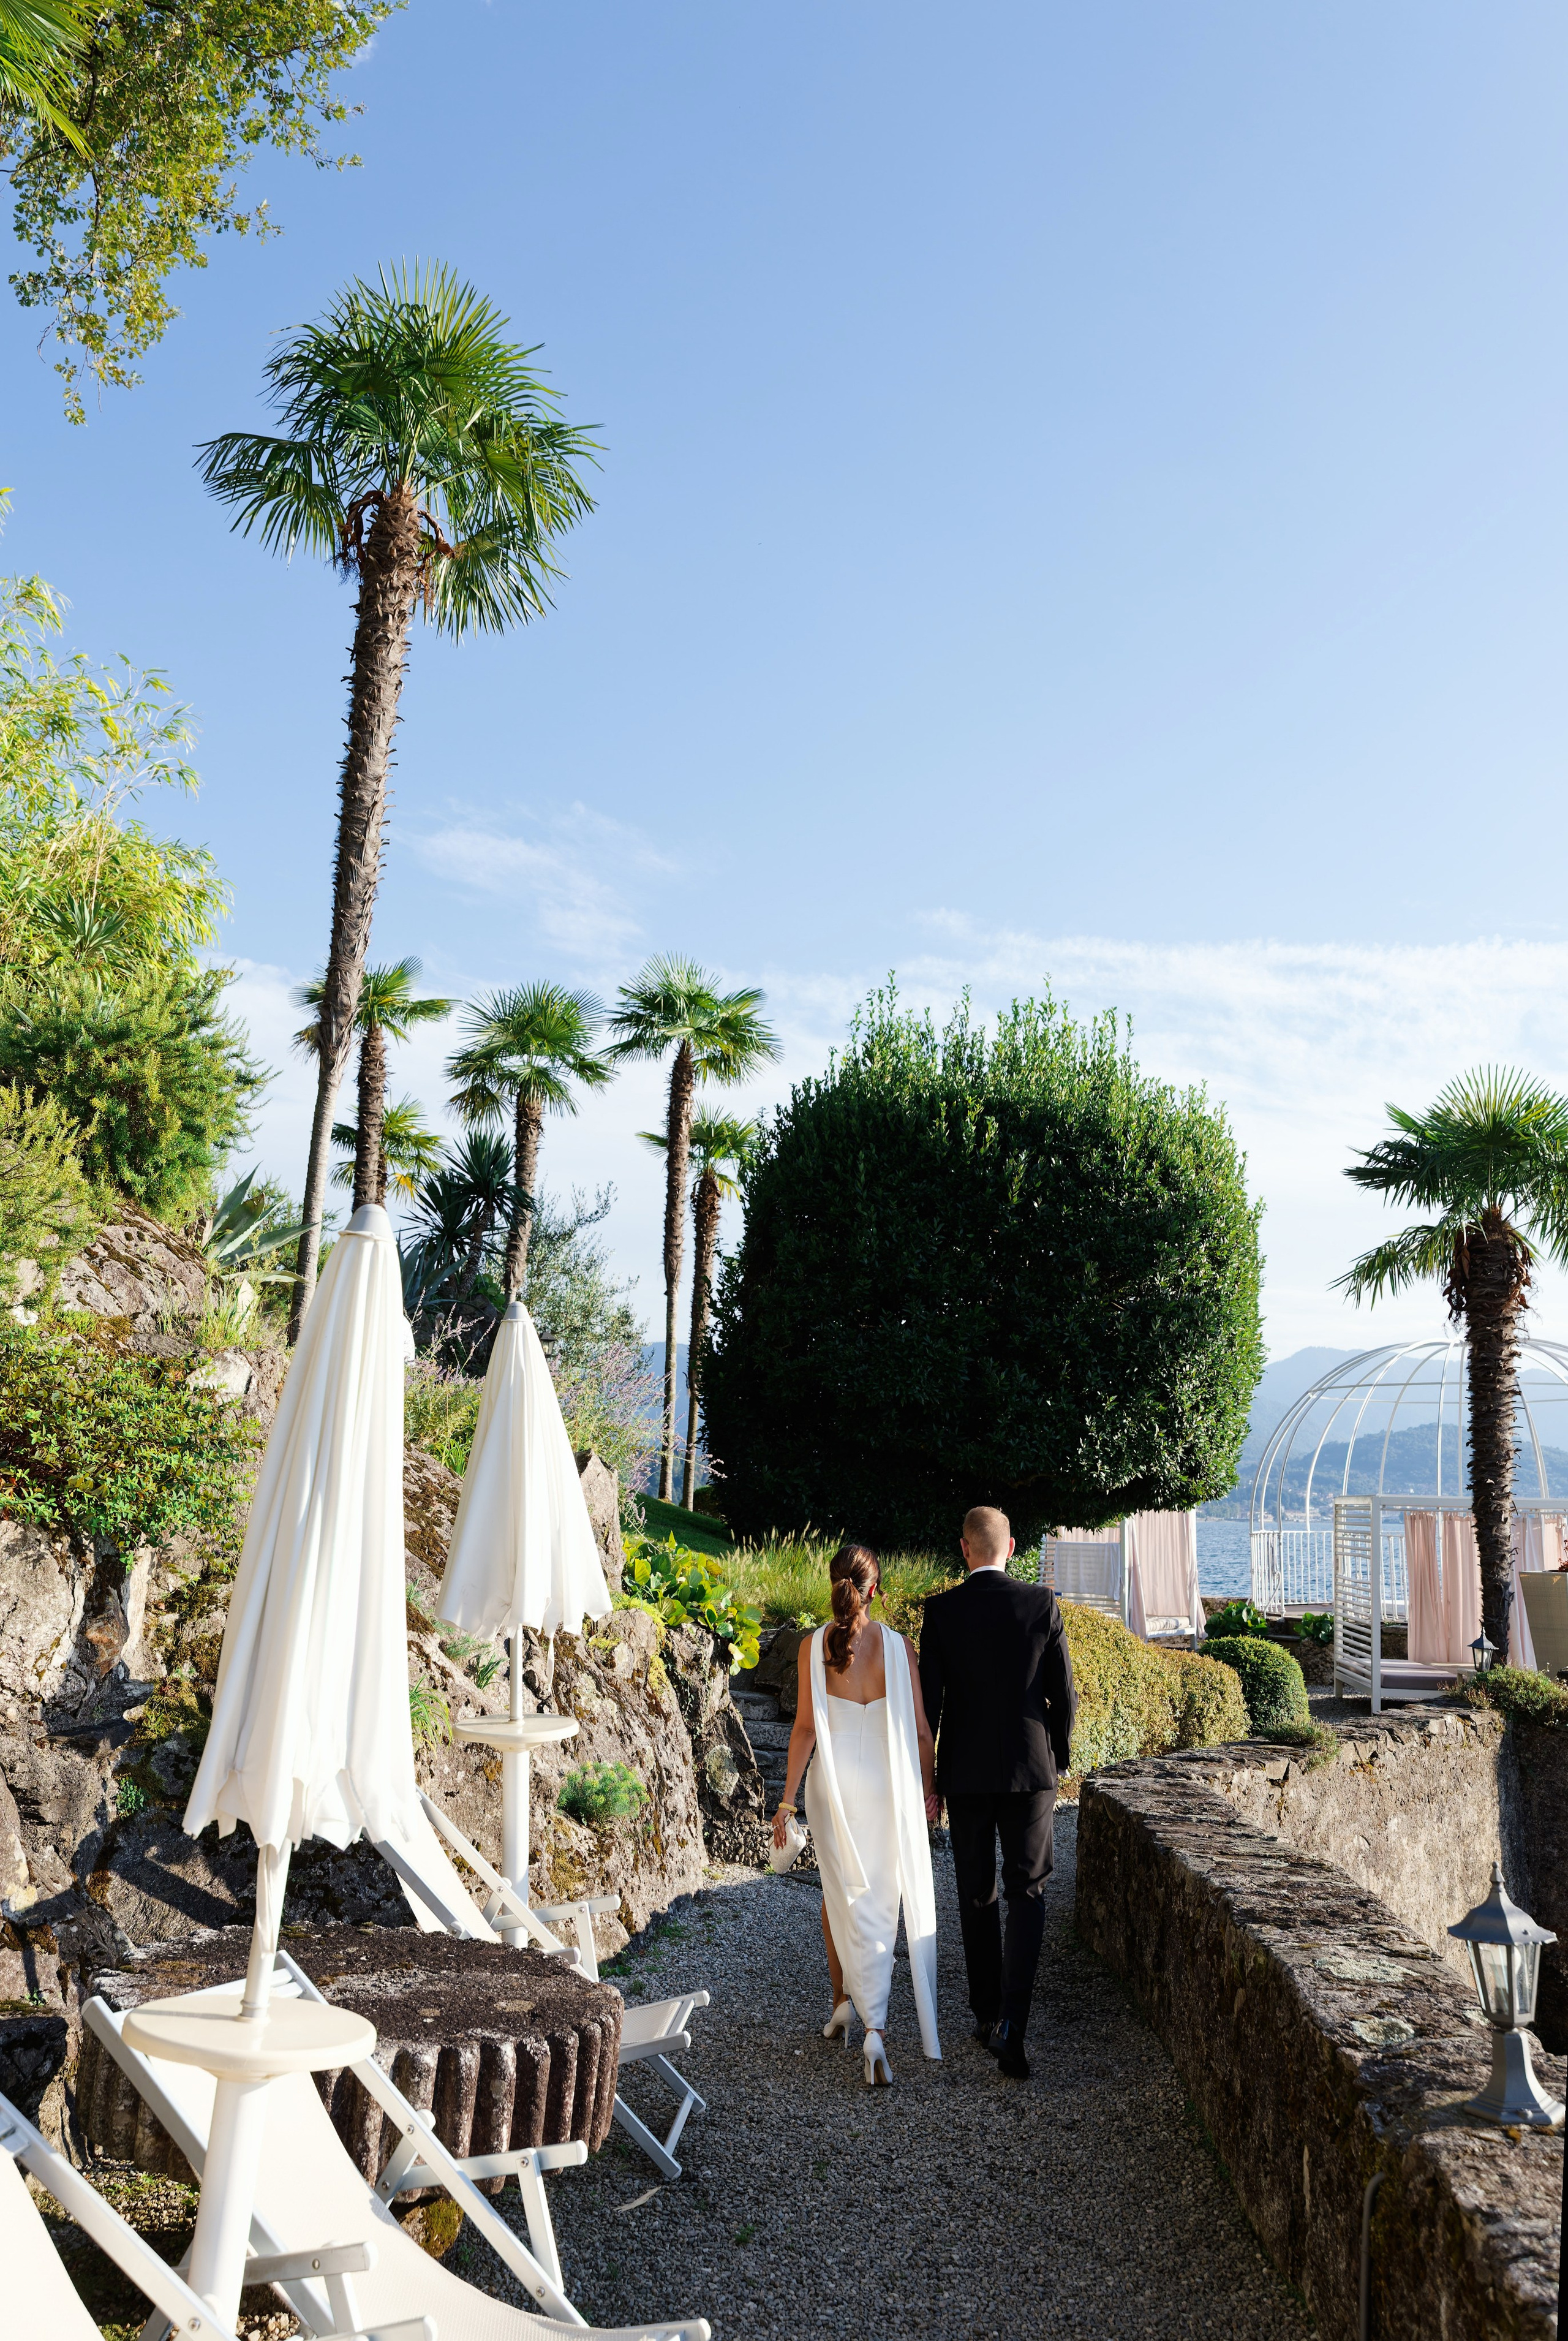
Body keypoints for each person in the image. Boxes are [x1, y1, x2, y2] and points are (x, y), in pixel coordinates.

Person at [772, 1542, 942, 2084]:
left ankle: (844, 2002)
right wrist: (930, 1789)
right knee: (879, 1897)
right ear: (876, 1589)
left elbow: (803, 1729)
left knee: (838, 1890)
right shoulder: (899, 1648)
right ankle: (875, 2029)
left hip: (832, 1787)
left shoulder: (812, 1646)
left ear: (835, 1585)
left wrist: (786, 1800)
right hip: (885, 1786)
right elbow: (920, 1730)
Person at [918, 1505, 1076, 2081]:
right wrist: (1055, 1754)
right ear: (1010, 1546)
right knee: (1028, 1893)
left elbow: (928, 1709)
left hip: (966, 1771)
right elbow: (1064, 1694)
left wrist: (930, 1777)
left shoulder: (941, 1611)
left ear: (965, 1549)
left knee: (977, 1892)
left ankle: (985, 2015)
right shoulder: (1041, 1604)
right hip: (1032, 1770)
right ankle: (1014, 2023)